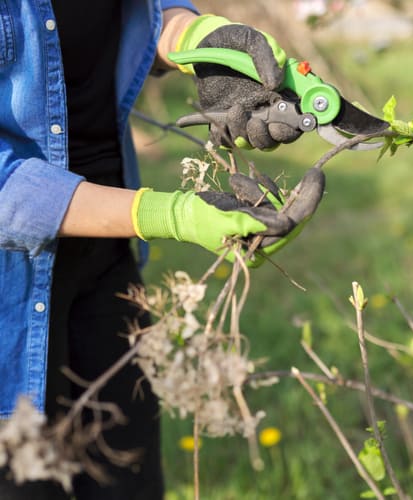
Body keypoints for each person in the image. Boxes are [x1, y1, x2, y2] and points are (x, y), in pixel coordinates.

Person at [0, 1, 324, 499]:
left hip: (106, 266)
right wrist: (166, 215)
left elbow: (134, 14)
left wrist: (198, 38)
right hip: (9, 304)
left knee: (127, 479)